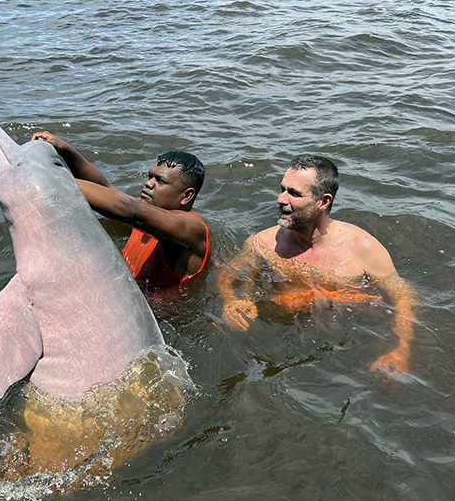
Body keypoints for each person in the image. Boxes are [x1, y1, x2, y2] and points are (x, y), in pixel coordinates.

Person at [220, 155, 417, 375]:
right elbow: (229, 276)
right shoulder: (262, 244)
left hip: (342, 350)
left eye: (294, 193)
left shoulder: (363, 249)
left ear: (323, 202)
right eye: (282, 189)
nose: (281, 199)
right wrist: (234, 301)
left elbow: (403, 296)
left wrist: (402, 349)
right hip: (278, 342)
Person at [30, 132, 210, 294]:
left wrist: (53, 178)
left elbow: (128, 210)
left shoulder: (190, 228)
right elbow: (106, 188)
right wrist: (65, 150)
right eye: (150, 176)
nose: (148, 184)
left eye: (160, 180)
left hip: (154, 322)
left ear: (186, 196)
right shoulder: (150, 212)